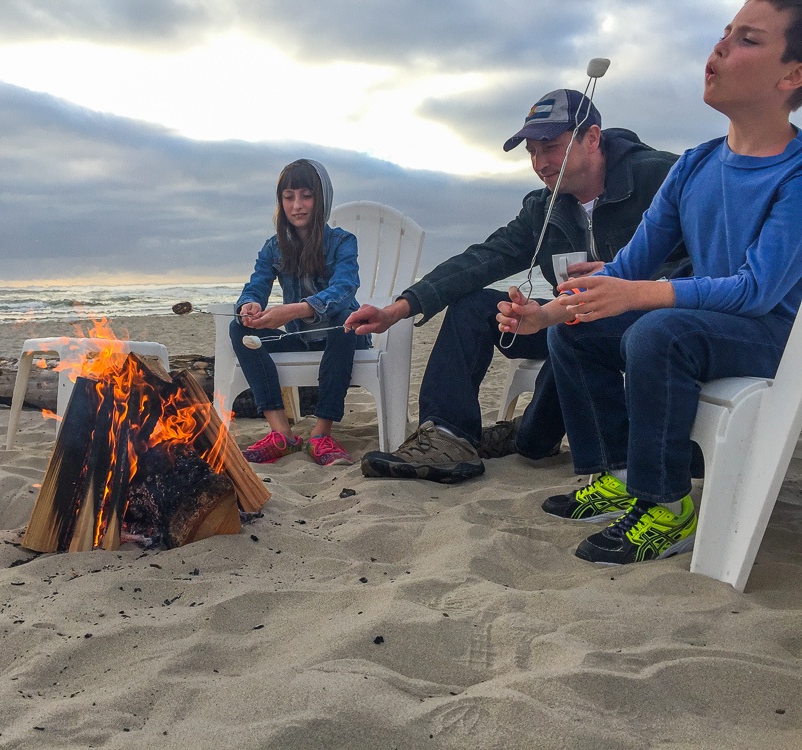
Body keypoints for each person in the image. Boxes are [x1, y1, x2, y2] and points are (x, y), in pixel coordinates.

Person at [496, 0, 802, 565]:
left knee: (657, 332)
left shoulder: (796, 173)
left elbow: (757, 290)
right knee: (580, 331)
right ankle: (616, 473)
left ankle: (666, 507)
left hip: (775, 342)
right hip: (704, 328)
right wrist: (550, 314)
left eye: (748, 40)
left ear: (792, 76)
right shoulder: (694, 166)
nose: (720, 48)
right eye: (724, 33)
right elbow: (627, 268)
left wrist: (639, 297)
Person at [347, 90, 688, 483]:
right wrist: (398, 308)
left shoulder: (660, 177)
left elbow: (718, 259)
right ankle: (447, 435)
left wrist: (630, 281)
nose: (540, 164)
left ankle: (529, 440)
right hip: (572, 319)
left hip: (651, 325)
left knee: (570, 338)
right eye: (531, 152)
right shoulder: (545, 208)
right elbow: (482, 259)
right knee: (475, 306)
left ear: (592, 138)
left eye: (551, 147)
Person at [231, 158, 369, 467]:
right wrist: (249, 306)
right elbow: (256, 285)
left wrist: (295, 310)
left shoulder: (342, 242)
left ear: (321, 199)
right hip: (302, 339)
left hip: (343, 339)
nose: (297, 205)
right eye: (288, 196)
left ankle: (321, 434)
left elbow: (346, 288)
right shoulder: (273, 248)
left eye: (306, 195)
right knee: (239, 328)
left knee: (344, 316)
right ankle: (283, 434)